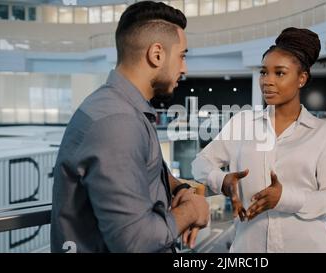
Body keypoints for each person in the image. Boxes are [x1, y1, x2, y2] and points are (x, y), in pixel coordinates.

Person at [51, 1, 209, 253]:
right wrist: (191, 211)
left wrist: (181, 188)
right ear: (157, 54)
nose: (184, 68)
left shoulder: (124, 109)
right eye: (182, 56)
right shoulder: (117, 122)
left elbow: (149, 167)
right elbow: (133, 242)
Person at [192, 27, 326, 252]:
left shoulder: (323, 134)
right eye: (264, 72)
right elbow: (200, 163)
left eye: (279, 73)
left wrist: (284, 198)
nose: (267, 81)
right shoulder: (242, 123)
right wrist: (222, 180)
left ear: (301, 78)